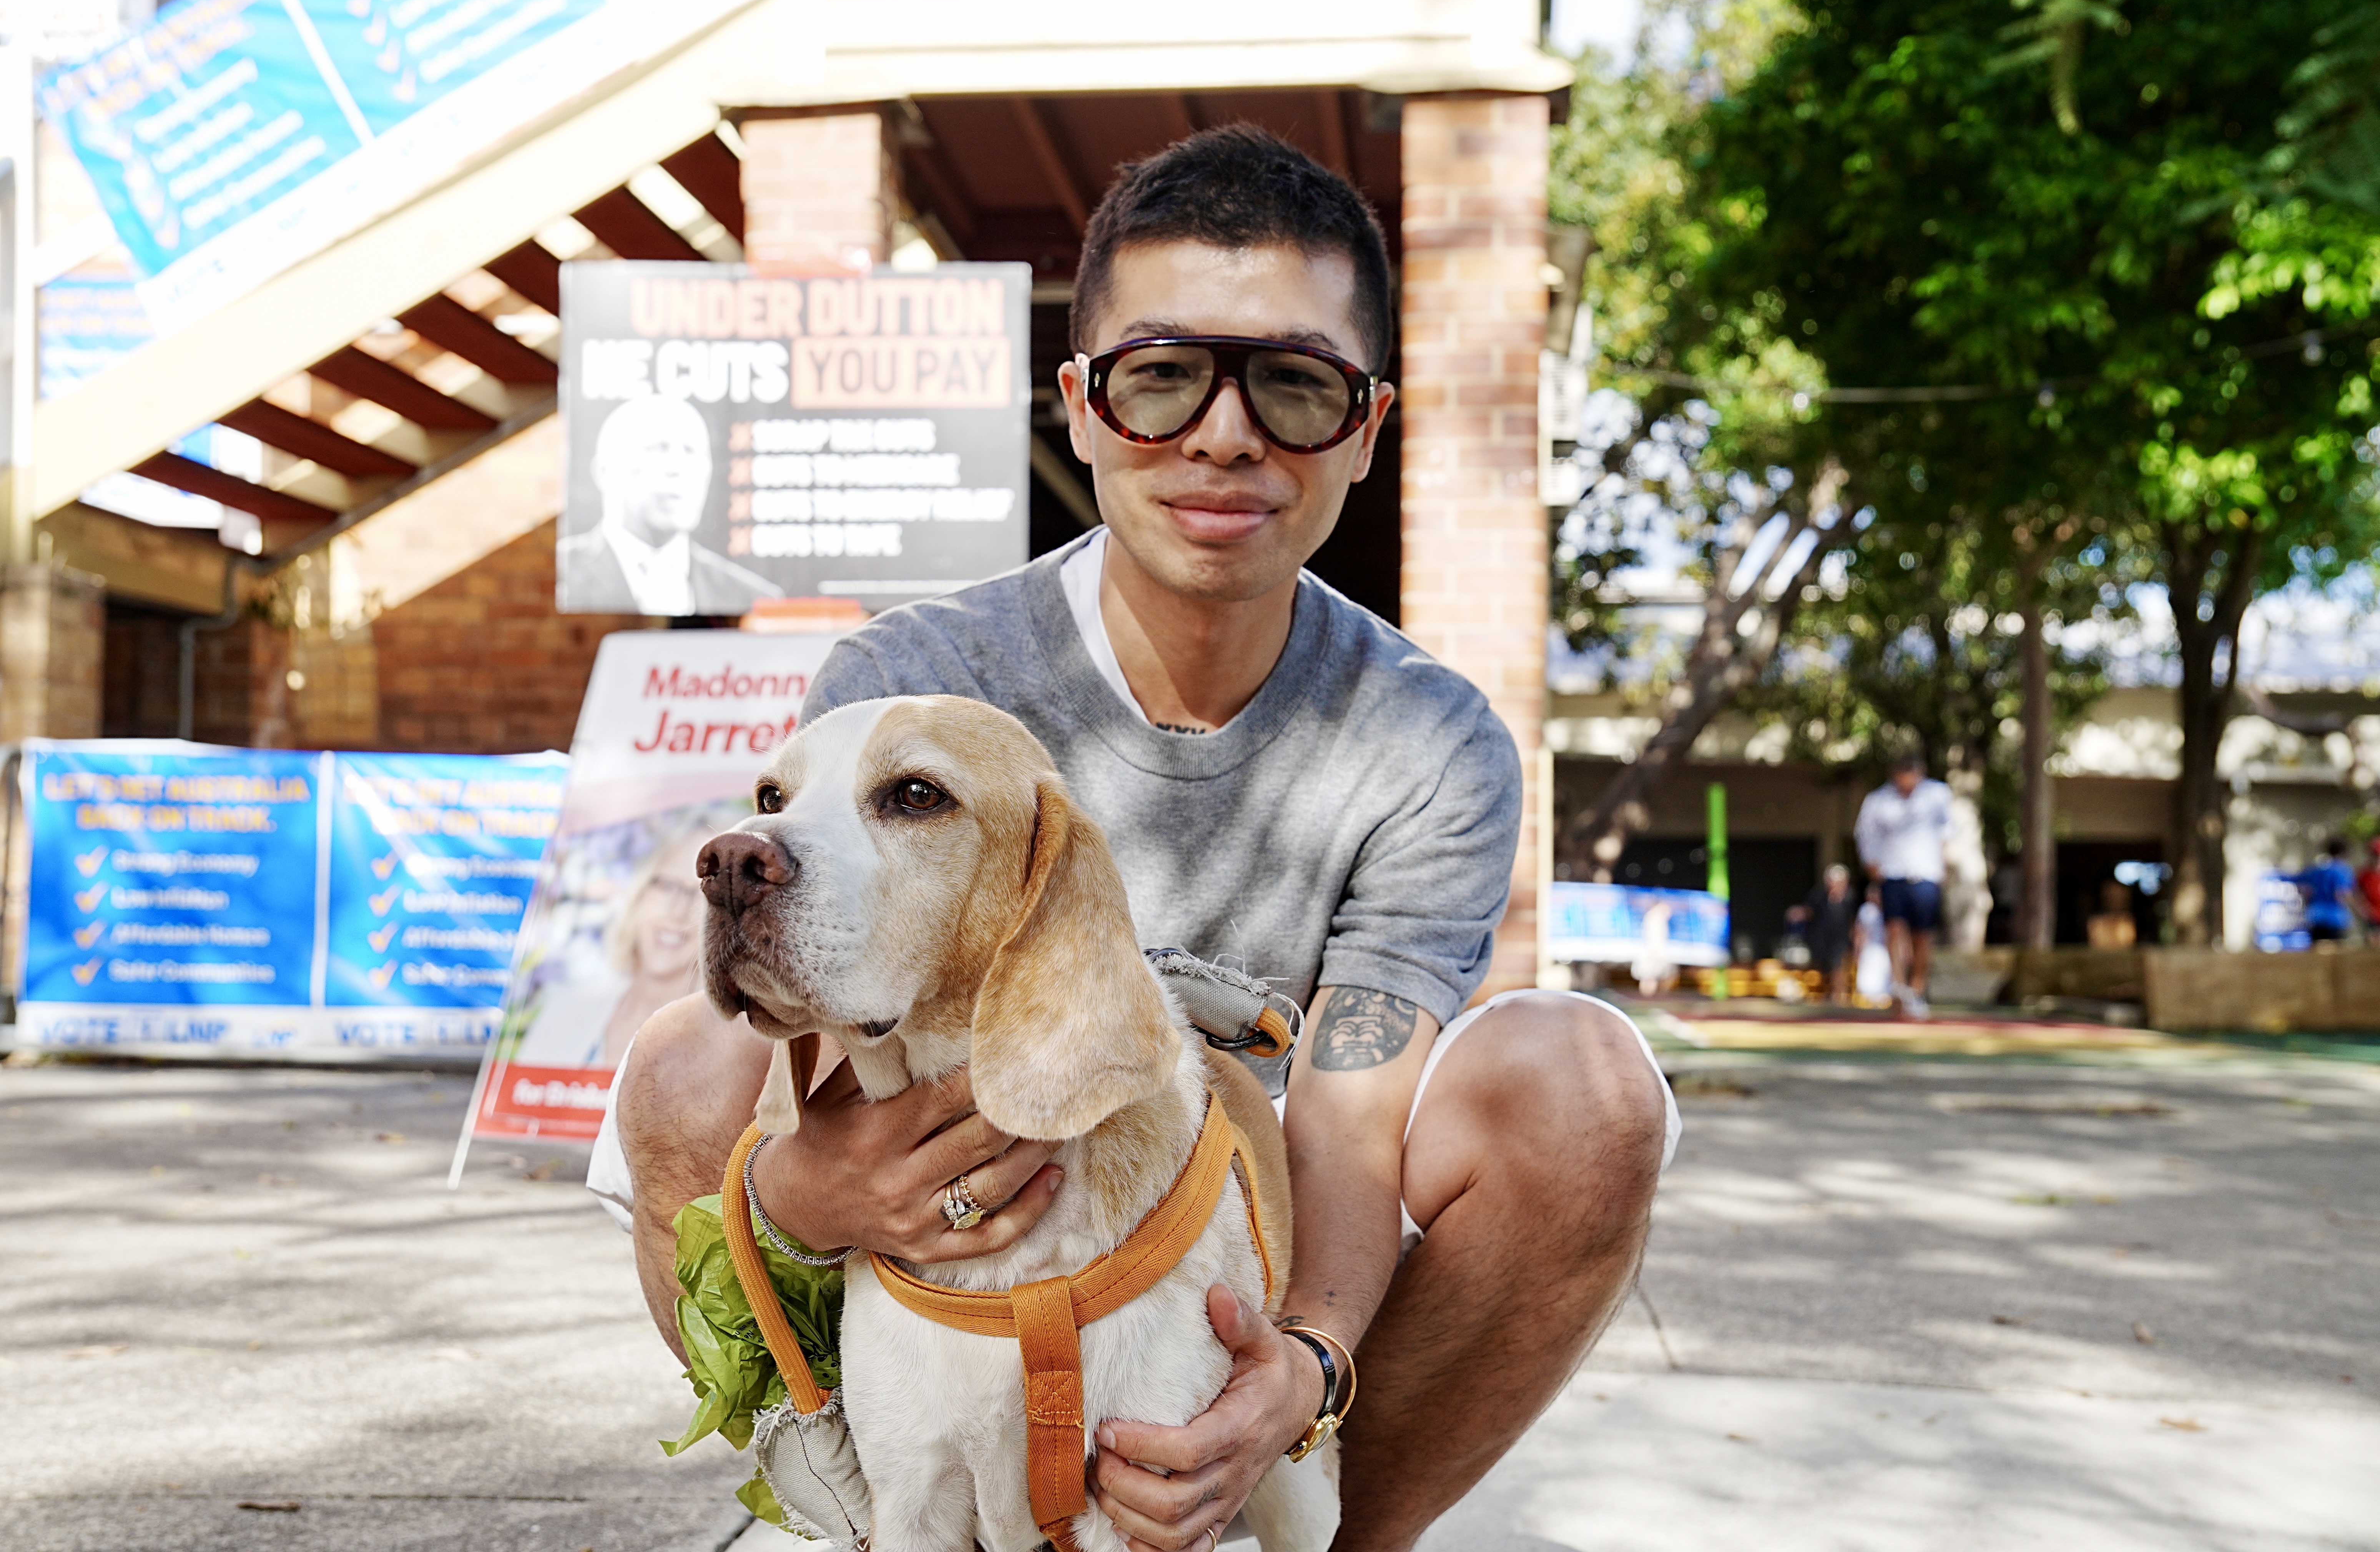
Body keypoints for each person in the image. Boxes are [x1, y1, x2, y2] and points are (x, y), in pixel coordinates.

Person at [600, 125, 1679, 1552]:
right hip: (973, 1193)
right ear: (1083, 406)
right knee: (678, 1063)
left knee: (1584, 1082)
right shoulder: (916, 682)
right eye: (1161, 378)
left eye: (1291, 385)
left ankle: (1336, 1531)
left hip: (1245, 1201)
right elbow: (822, 1073)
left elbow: (1348, 1124)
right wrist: (800, 1195)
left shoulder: (1431, 742)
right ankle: (852, 1493)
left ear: (1364, 425)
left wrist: (1301, 1367)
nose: (1221, 435)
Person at [557, 394, 779, 615]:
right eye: (657, 449)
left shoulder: (753, 599)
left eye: (692, 451)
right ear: (605, 471)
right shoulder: (560, 573)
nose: (677, 468)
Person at [597, 828, 711, 1066]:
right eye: (669, 886)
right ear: (640, 891)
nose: (678, 911)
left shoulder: (724, 1046)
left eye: (704, 892)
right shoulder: (564, 1005)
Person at [1853, 753, 1954, 1019]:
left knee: (1923, 935)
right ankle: (1899, 989)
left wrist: (1944, 866)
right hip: (1893, 874)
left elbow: (1947, 833)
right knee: (1895, 930)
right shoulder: (1878, 800)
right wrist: (1873, 865)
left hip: (1926, 875)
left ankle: (1916, 990)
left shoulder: (1938, 795)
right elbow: (1865, 833)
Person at [1802, 863, 1859, 1003]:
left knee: (1838, 966)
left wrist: (1856, 939)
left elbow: (1854, 920)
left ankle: (1838, 996)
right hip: (1822, 938)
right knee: (1823, 967)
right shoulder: (1819, 895)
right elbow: (1809, 912)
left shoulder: (1850, 897)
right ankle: (1825, 996)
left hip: (1842, 939)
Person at [2294, 837, 2360, 945]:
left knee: (2318, 953)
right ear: (2344, 853)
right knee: (2335, 956)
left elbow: (2301, 886)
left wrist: (2309, 900)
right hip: (2336, 918)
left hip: (2315, 916)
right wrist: (2358, 908)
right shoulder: (2342, 869)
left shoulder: (2316, 868)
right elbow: (2342, 893)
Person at [1853, 884, 1894, 1004]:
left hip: (1885, 949)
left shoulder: (1889, 909)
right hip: (1870, 949)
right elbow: (1860, 932)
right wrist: (1858, 950)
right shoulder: (1866, 911)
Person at [2085, 879, 2137, 951]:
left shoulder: (2128, 921)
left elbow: (2128, 947)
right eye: (2113, 896)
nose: (2116, 900)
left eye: (2120, 896)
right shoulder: (2096, 922)